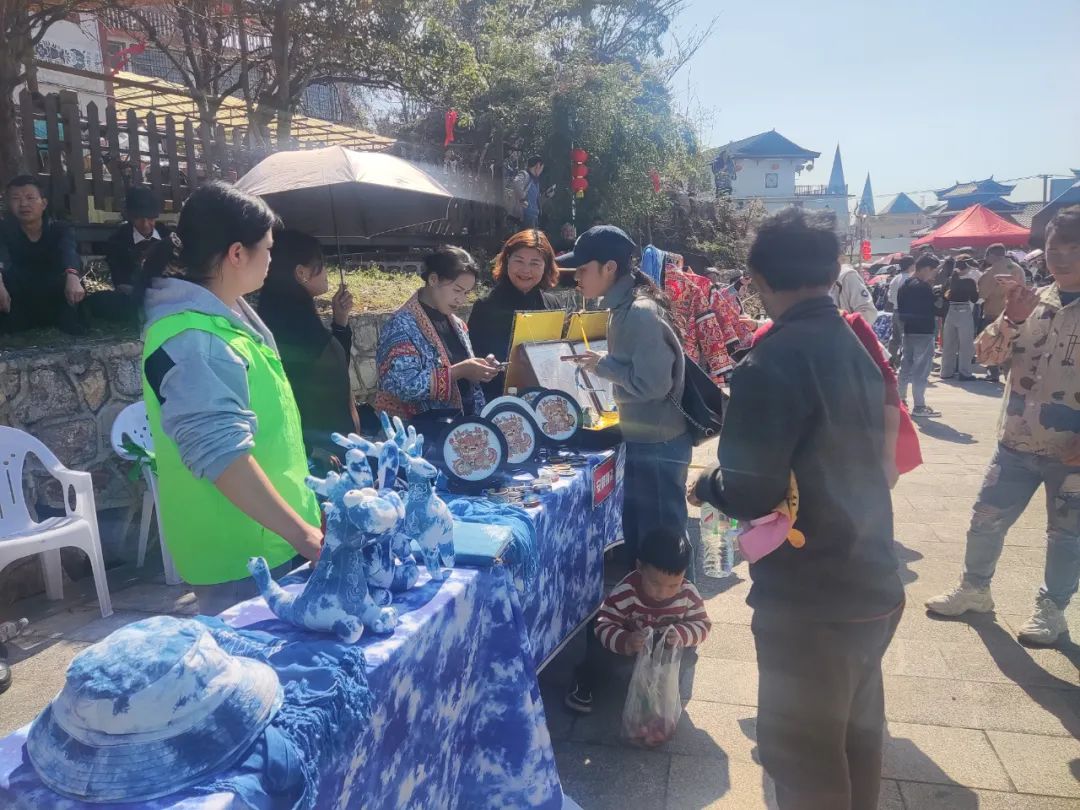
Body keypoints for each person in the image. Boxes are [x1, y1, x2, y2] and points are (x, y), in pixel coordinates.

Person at [689, 207, 903, 810]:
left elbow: (750, 490)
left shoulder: (770, 361)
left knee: (804, 756)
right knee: (856, 738)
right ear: (835, 272)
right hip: (870, 576)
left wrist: (709, 483)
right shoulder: (854, 342)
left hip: (812, 596)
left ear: (757, 278)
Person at [137, 181, 323, 614]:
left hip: (272, 539)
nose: (272, 259)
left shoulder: (229, 318)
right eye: (268, 249)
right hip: (241, 557)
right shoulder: (193, 338)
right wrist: (303, 535)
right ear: (237, 253)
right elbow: (224, 456)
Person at [925, 206, 1080, 645]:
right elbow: (985, 355)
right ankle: (975, 589)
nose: (1062, 259)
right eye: (1054, 250)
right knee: (985, 519)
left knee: (1066, 535)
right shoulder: (1032, 301)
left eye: (1073, 249)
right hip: (1015, 441)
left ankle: (1052, 610)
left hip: (1071, 452)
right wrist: (1011, 319)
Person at [558, 226, 690, 572]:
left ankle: (678, 605)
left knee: (664, 545)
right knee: (650, 538)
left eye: (583, 269)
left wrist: (603, 366)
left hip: (658, 445)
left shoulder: (639, 312)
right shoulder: (625, 308)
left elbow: (653, 385)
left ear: (610, 268)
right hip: (648, 439)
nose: (577, 278)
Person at [565, 528, 711, 713]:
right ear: (640, 567)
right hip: (630, 647)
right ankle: (585, 681)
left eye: (673, 585)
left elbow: (702, 625)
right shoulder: (626, 591)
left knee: (689, 655)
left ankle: (660, 685)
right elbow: (603, 623)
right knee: (599, 650)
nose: (662, 593)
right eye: (655, 583)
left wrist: (681, 635)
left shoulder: (688, 593)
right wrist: (626, 640)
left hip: (664, 649)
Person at [258, 229, 359, 467]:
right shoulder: (287, 326)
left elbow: (331, 364)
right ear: (301, 272)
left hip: (329, 448)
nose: (326, 272)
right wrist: (312, 450)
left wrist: (340, 322)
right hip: (316, 457)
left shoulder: (298, 315)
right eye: (321, 264)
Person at [375, 246, 499, 420]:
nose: (461, 299)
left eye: (466, 293)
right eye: (457, 290)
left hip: (462, 425)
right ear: (433, 279)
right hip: (419, 430)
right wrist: (460, 371)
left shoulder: (458, 325)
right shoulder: (400, 326)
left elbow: (466, 378)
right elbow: (403, 386)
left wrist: (481, 369)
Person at [467, 229, 560, 402]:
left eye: (535, 263)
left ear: (546, 266)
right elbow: (472, 358)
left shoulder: (553, 305)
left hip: (544, 397)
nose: (526, 270)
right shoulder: (485, 306)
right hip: (499, 400)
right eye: (519, 261)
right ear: (507, 260)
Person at [0, 175, 85, 335]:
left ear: (44, 203)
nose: (23, 204)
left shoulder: (60, 229)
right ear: (8, 204)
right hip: (19, 295)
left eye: (30, 198)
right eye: (16, 198)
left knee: (69, 281)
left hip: (53, 292)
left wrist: (73, 276)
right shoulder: (3, 230)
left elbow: (69, 251)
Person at [897, 253, 942, 417]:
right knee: (921, 371)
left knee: (905, 367)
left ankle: (900, 401)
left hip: (908, 331)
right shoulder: (923, 287)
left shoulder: (905, 285)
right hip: (923, 332)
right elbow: (935, 309)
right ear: (926, 269)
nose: (933, 275)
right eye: (933, 271)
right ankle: (919, 406)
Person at [104, 187, 171, 295]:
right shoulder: (117, 242)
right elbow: (120, 281)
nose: (145, 224)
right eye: (139, 218)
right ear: (130, 217)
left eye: (150, 218)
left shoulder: (169, 238)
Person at [977, 242, 1025, 383]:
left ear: (991, 255)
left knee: (993, 344)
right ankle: (1010, 375)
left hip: (994, 312)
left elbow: (983, 293)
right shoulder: (1018, 268)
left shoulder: (992, 271)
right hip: (1015, 312)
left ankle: (994, 373)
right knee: (1011, 344)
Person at [939, 258, 980, 381]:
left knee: (949, 344)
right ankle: (964, 373)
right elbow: (974, 299)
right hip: (964, 311)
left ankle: (946, 372)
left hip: (951, 311)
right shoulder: (969, 281)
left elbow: (943, 296)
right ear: (966, 269)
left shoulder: (950, 280)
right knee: (965, 345)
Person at [886, 255, 916, 364]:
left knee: (895, 338)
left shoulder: (895, 278)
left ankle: (890, 360)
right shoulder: (910, 279)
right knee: (907, 339)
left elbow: (890, 297)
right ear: (911, 266)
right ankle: (905, 363)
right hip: (906, 312)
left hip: (895, 310)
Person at [512, 156, 549, 230]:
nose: (541, 171)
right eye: (542, 168)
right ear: (538, 165)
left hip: (534, 218)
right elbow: (516, 182)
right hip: (526, 216)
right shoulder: (525, 174)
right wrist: (522, 199)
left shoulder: (536, 182)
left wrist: (546, 195)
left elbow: (536, 202)